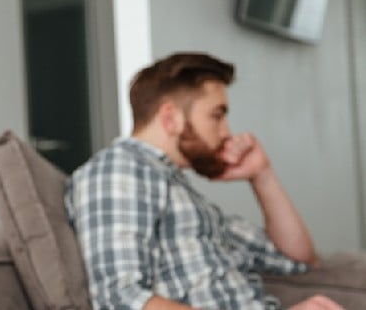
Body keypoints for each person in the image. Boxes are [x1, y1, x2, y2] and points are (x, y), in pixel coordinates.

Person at [65, 53, 343, 310]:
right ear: (171, 118)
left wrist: (262, 174)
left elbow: (299, 259)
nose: (226, 132)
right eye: (217, 116)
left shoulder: (187, 197)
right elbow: (121, 299)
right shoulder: (120, 169)